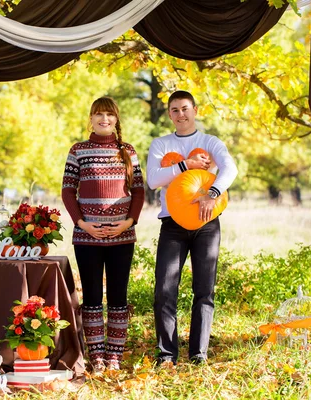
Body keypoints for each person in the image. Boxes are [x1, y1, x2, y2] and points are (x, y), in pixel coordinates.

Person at [146, 90, 237, 365]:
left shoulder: (210, 142)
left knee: (204, 289)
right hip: (172, 224)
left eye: (185, 108)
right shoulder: (160, 144)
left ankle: (198, 354)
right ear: (170, 114)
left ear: (195, 110)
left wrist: (212, 193)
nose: (180, 114)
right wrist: (186, 165)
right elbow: (153, 180)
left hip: (206, 225)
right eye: (174, 110)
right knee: (164, 288)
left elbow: (230, 169)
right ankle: (166, 355)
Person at [62, 97, 145, 373]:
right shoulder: (78, 151)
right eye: (99, 114)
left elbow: (139, 191)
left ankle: (115, 357)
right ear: (91, 118)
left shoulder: (128, 151)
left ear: (116, 119)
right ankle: (96, 356)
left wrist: (127, 223)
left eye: (109, 114)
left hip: (122, 237)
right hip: (87, 238)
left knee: (119, 297)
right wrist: (83, 224)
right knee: (93, 297)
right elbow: (67, 191)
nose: (104, 119)